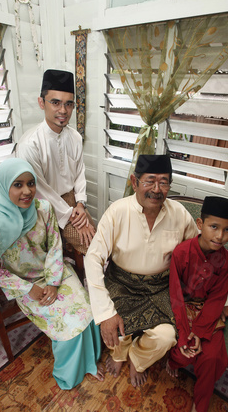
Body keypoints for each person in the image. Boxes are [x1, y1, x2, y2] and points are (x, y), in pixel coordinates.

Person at [0, 158, 104, 390]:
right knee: (67, 325)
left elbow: (55, 245)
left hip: (54, 273)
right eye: (18, 185)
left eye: (31, 183)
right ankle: (71, 373)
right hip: (25, 285)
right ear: (5, 186)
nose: (27, 191)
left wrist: (54, 282)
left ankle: (90, 361)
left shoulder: (43, 209)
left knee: (88, 308)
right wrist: (28, 289)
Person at [84, 154, 198, 387]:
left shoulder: (179, 214)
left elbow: (198, 250)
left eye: (164, 182)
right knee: (115, 325)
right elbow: (93, 257)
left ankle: (138, 359)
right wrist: (105, 313)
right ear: (135, 183)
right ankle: (118, 355)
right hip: (122, 282)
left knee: (167, 337)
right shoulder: (117, 211)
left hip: (160, 287)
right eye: (150, 181)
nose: (157, 189)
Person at [166, 196, 228, 412]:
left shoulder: (227, 261)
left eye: (227, 230)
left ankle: (200, 405)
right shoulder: (181, 252)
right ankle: (172, 362)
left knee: (211, 357)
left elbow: (218, 298)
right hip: (181, 306)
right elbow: (175, 294)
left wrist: (199, 331)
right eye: (214, 227)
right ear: (200, 223)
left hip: (208, 311)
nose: (220, 236)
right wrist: (187, 331)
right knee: (184, 347)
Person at [16, 69, 95, 253]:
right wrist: (69, 216)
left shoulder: (74, 136)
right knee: (88, 245)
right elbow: (40, 190)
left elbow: (79, 173)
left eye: (69, 104)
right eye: (55, 102)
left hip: (72, 200)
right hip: (43, 206)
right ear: (41, 103)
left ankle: (87, 274)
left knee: (96, 240)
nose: (63, 110)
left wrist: (80, 204)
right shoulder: (29, 144)